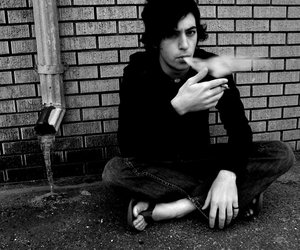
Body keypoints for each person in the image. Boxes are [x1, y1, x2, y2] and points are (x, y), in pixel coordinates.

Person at [102, 0, 295, 231]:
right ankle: (230, 200)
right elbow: (129, 146)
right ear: (156, 40)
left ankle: (177, 207)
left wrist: (227, 173)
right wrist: (176, 108)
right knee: (114, 172)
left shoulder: (212, 67)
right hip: (158, 164)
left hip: (202, 161)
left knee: (281, 153)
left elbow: (240, 131)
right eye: (172, 35)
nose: (184, 45)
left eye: (190, 32)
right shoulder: (137, 72)